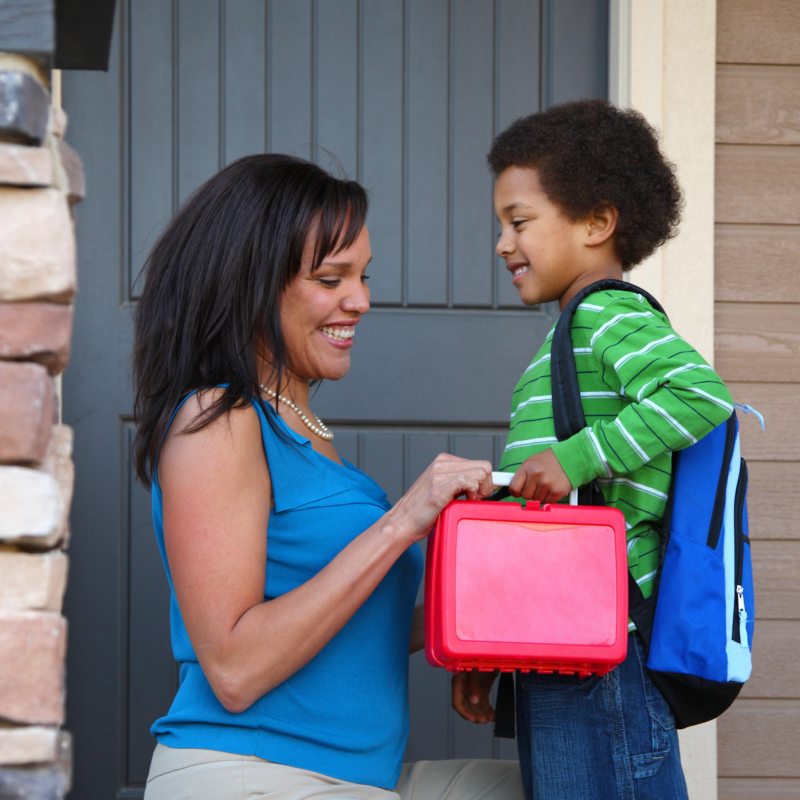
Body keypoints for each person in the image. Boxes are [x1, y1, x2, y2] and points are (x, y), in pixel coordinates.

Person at [133, 153, 524, 799]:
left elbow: (347, 628)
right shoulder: (219, 419)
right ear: (252, 284)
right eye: (330, 277)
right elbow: (234, 667)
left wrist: (474, 628)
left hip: (345, 778)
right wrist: (403, 520)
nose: (362, 300)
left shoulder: (301, 431)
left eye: (363, 276)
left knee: (571, 779)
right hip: (253, 776)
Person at [451, 100, 734, 800]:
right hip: (559, 638)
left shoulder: (606, 312)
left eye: (519, 222)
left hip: (600, 652)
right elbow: (542, 525)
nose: (502, 244)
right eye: (501, 226)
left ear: (597, 222)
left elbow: (702, 396)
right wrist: (489, 641)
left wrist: (579, 457)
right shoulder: (568, 336)